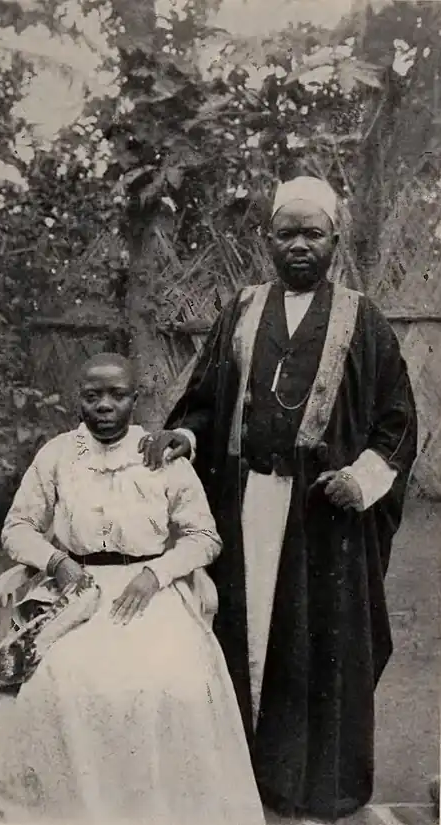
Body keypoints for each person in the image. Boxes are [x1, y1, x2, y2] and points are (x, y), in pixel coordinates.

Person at [139, 177, 418, 823]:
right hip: (241, 511)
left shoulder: (364, 318)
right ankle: (239, 779)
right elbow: (205, 399)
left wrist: (363, 477)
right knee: (236, 636)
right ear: (267, 239)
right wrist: (184, 434)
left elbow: (398, 422)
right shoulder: (240, 310)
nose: (298, 245)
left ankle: (316, 788)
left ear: (335, 242)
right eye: (286, 232)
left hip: (323, 523)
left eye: (311, 233)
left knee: (315, 645)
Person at [0, 352, 266, 825]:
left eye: (116, 395)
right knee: (53, 685)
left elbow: (204, 537)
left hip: (152, 590)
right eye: (93, 396)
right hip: (72, 591)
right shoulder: (58, 454)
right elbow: (18, 527)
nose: (104, 406)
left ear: (136, 398)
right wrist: (56, 561)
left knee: (171, 683)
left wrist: (158, 573)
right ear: (80, 400)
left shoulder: (162, 454)